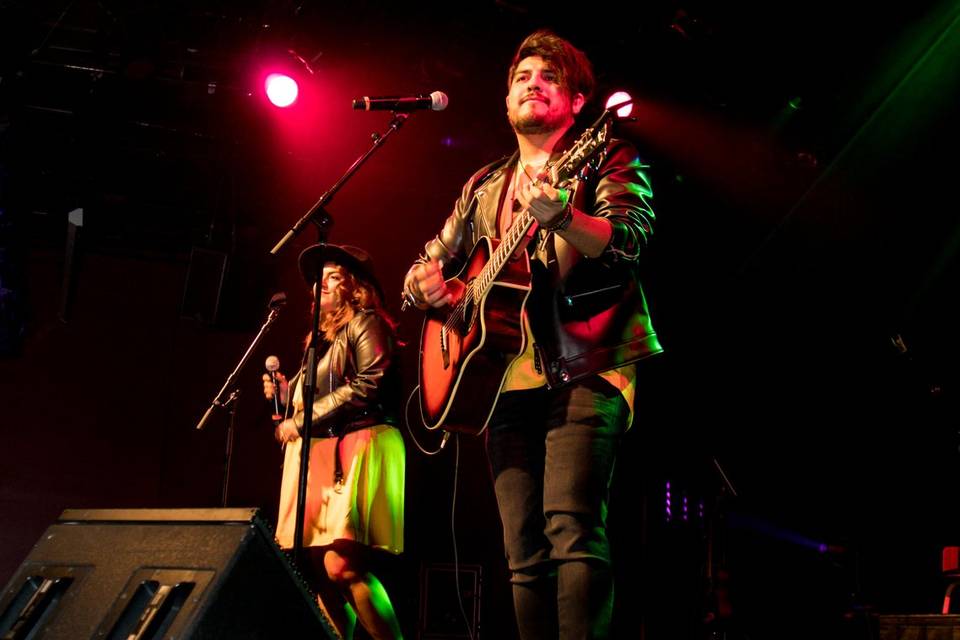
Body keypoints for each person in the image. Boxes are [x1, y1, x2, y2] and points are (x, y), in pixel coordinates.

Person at [402, 30, 662, 639]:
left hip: (585, 359)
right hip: (500, 381)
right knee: (522, 551)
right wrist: (428, 290)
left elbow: (627, 242)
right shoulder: (483, 185)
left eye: (549, 77)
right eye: (522, 76)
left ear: (575, 102)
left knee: (570, 527)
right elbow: (426, 265)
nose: (532, 84)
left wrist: (565, 218)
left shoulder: (605, 156)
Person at [264, 243, 405, 640]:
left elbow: (369, 383)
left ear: (355, 286)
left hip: (359, 442)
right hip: (324, 451)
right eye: (317, 280)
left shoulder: (366, 322)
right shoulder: (319, 340)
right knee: (317, 571)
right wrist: (286, 392)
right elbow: (321, 392)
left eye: (332, 277)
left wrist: (305, 416)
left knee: (343, 567)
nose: (320, 285)